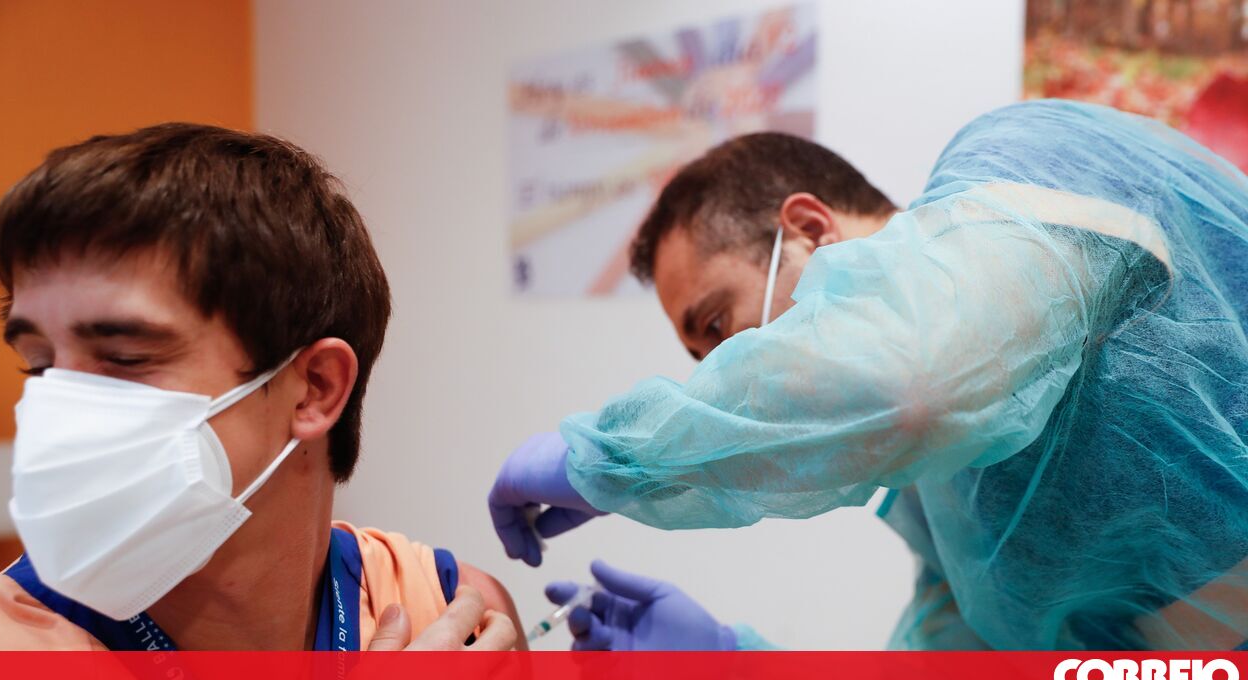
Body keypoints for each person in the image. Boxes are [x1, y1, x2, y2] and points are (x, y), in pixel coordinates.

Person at [489, 99, 1248, 651]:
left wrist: (612, 459)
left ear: (808, 230)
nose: (725, 375)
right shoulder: (944, 494)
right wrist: (733, 668)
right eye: (701, 358)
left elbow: (913, 382)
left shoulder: (1025, 155)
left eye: (718, 325)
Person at [0, 123, 520, 652]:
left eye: (125, 358)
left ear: (315, 388)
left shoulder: (457, 613)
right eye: (41, 366)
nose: (62, 408)